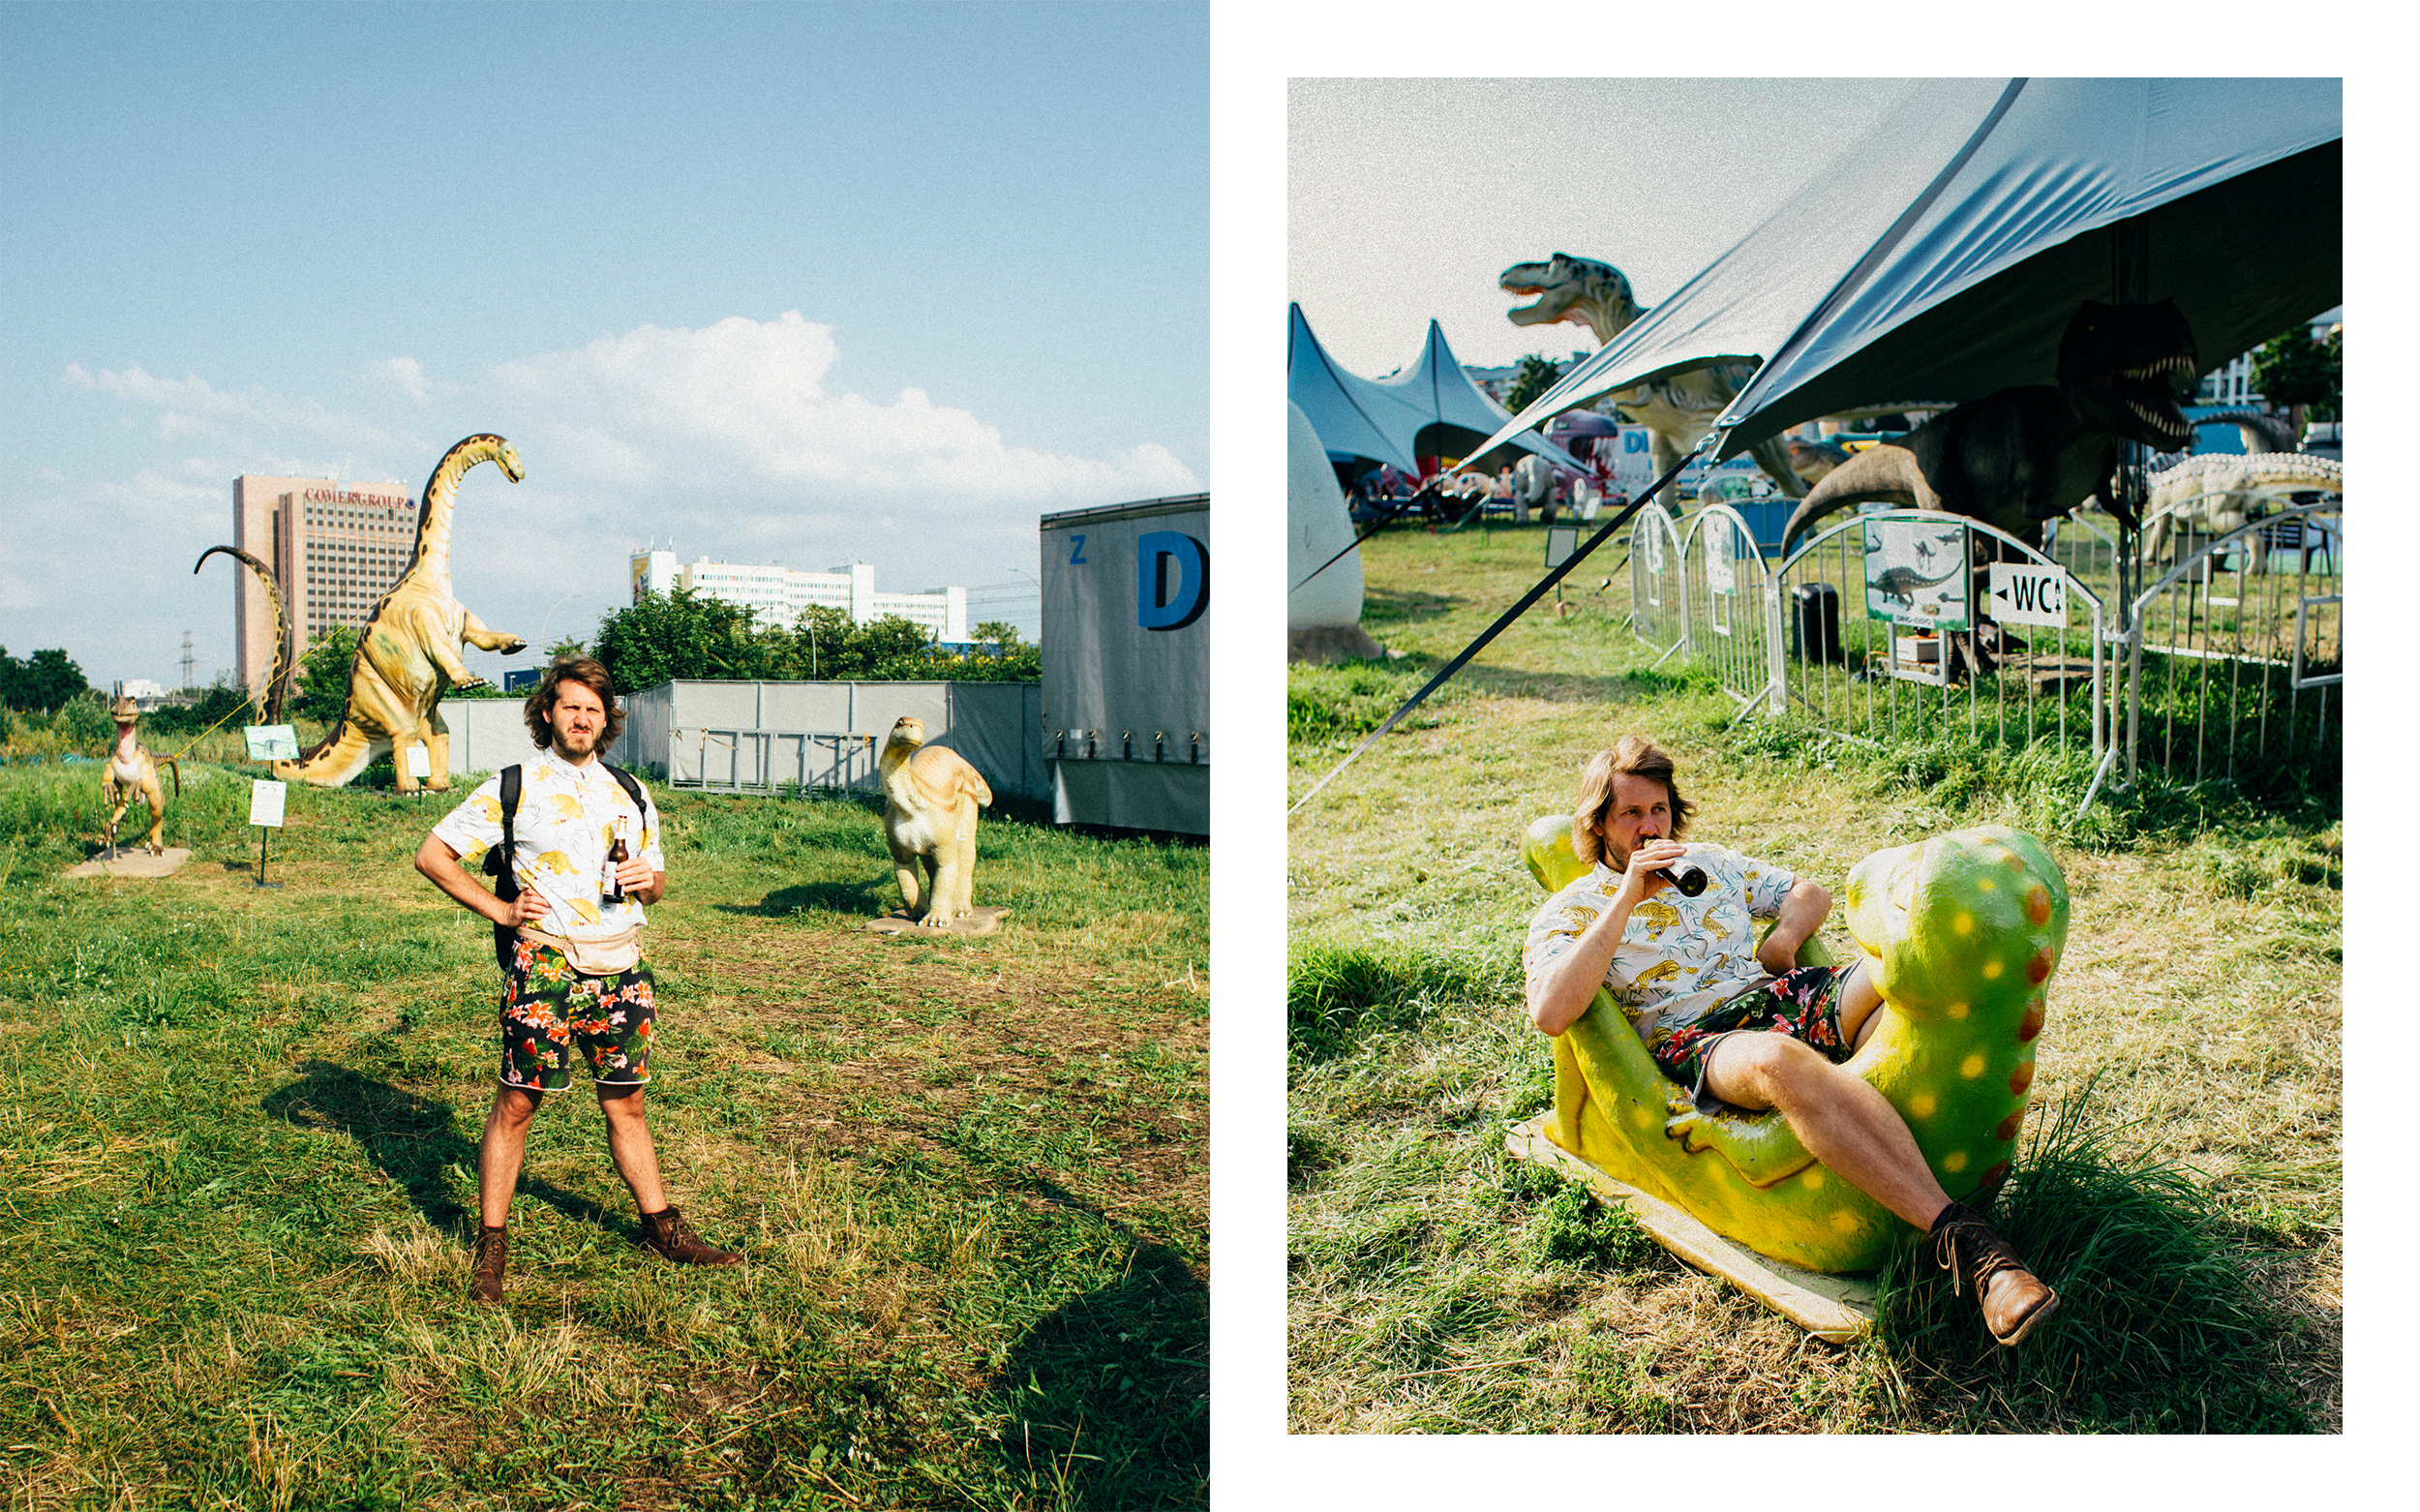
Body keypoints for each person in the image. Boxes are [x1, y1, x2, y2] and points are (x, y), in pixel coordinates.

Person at [1522, 737, 2059, 1346]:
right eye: (1632, 815)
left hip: (1776, 998)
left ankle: (1889, 1166)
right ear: (1599, 825)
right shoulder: (1570, 911)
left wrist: (1784, 939)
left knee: (1902, 982)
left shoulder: (1711, 863)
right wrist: (1625, 899)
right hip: (1697, 1037)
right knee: (1780, 1062)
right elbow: (1552, 1011)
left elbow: (1810, 893)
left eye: (1660, 811)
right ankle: (1968, 1245)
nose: (1650, 827)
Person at [414, 655, 740, 1304]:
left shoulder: (631, 790)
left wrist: (653, 882)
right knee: (518, 1102)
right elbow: (433, 856)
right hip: (547, 964)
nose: (583, 718)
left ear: (606, 719)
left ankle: (662, 1229)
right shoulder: (515, 784)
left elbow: (657, 881)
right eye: (570, 707)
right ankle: (492, 1245)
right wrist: (502, 909)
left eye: (593, 708)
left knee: (627, 1101)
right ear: (546, 714)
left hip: (622, 965)